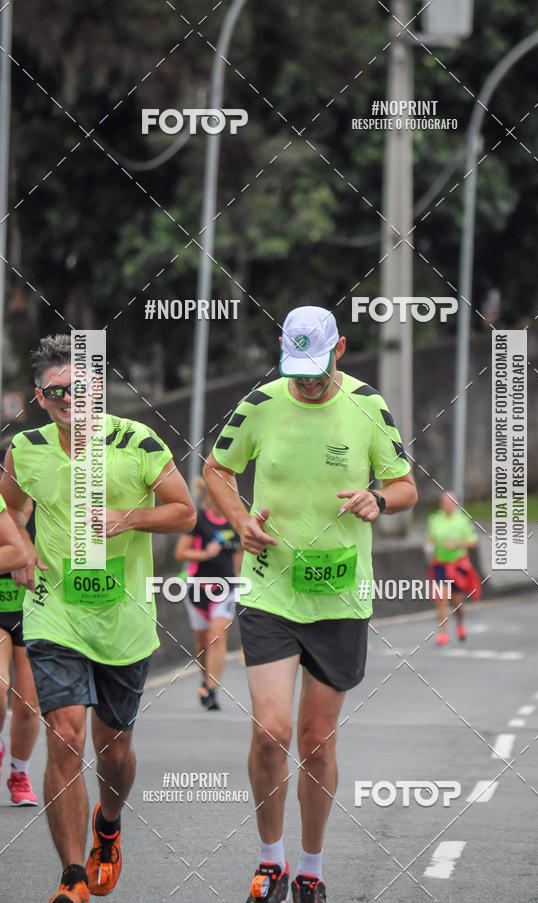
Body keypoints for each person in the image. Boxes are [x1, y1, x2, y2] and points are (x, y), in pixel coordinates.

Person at [204, 306, 417, 903]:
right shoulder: (260, 403)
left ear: (340, 349)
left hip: (339, 596)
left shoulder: (367, 405)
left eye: (317, 370)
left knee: (316, 741)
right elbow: (216, 470)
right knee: (271, 734)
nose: (306, 383)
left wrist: (379, 500)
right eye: (296, 371)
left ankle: (311, 867)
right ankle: (270, 860)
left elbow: (406, 486)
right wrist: (240, 520)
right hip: (270, 588)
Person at [0, 334, 195, 903]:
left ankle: (108, 826)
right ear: (39, 398)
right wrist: (20, 550)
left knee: (113, 749)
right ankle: (72, 877)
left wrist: (127, 517)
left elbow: (184, 512)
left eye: (78, 388)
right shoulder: (26, 449)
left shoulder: (137, 442)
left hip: (123, 619)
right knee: (65, 736)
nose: (67, 399)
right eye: (54, 391)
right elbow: (8, 507)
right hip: (54, 613)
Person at [174, 475, 242, 711]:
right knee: (202, 643)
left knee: (217, 636)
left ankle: (212, 690)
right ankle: (205, 680)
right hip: (197, 589)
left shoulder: (235, 523)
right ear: (209, 497)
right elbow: (180, 553)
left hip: (225, 589)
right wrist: (205, 554)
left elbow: (239, 554)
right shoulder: (199, 521)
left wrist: (239, 577)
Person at [0, 436, 40, 805]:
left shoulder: (51, 505)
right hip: (0, 608)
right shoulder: (2, 507)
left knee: (28, 704)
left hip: (35, 609)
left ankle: (19, 772)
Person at [426, 491, 480, 646]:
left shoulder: (462, 520)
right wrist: (429, 546)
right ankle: (443, 633)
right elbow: (430, 538)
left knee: (457, 601)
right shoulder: (435, 519)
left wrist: (456, 544)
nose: (447, 505)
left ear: (456, 504)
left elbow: (473, 541)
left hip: (458, 564)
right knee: (441, 599)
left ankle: (460, 623)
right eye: (444, 502)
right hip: (441, 563)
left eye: (450, 502)